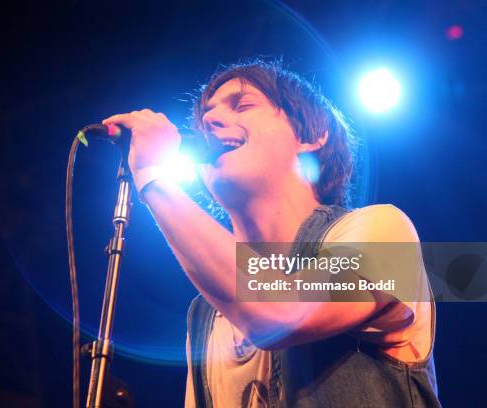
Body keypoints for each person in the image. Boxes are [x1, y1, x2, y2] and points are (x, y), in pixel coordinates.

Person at [102, 60, 440, 407]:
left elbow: (280, 313)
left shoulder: (383, 230)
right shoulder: (205, 315)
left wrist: (152, 179)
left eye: (242, 105)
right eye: (206, 116)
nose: (209, 121)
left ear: (310, 135)